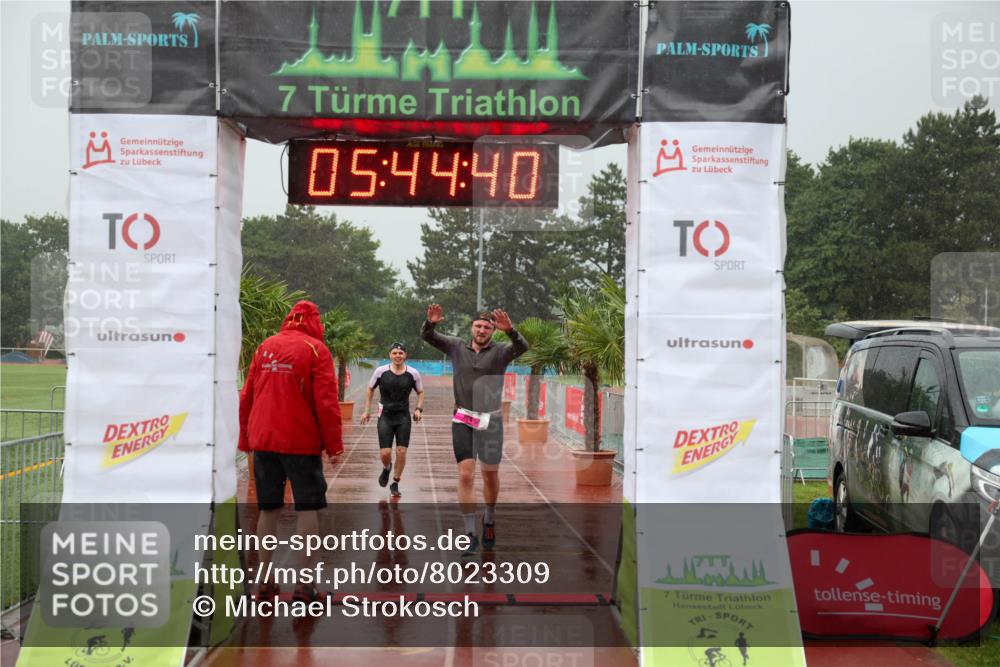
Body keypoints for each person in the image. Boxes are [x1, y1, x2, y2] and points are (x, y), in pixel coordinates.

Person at [239, 300, 343, 602]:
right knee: (307, 509)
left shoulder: (265, 346)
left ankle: (264, 581)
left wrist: (246, 439)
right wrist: (334, 445)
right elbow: (326, 402)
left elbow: (247, 395)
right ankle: (305, 584)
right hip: (300, 441)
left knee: (267, 509)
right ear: (314, 321)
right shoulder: (315, 350)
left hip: (264, 440)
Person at [421, 305, 528, 554]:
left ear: (493, 330)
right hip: (462, 418)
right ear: (472, 327)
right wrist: (431, 323)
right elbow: (428, 336)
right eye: (478, 326)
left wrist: (511, 331)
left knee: (490, 476)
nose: (481, 330)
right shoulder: (456, 346)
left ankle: (489, 518)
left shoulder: (501, 352)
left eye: (487, 327)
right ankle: (470, 534)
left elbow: (523, 347)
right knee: (466, 475)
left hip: (490, 421)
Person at [360, 342, 425, 498]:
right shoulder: (380, 372)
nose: (398, 356)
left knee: (401, 451)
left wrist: (418, 409)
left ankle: (395, 482)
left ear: (405, 355)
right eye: (395, 353)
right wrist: (366, 410)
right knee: (385, 453)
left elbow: (421, 392)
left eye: (400, 353)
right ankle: (387, 467)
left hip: (403, 417)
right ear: (390, 355)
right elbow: (370, 389)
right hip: (385, 417)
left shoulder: (413, 373)